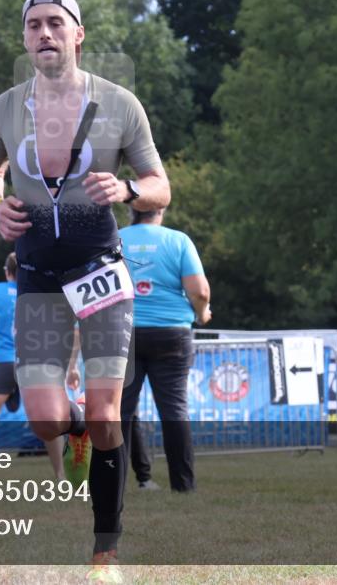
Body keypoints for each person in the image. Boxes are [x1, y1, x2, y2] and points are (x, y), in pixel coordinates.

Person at [0, 0, 170, 580]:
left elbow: (160, 184)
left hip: (100, 269)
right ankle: (76, 427)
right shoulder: (7, 107)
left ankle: (104, 548)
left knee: (109, 411)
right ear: (25, 38)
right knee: (45, 420)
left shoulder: (119, 103)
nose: (44, 34)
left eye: (55, 23)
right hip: (36, 274)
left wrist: (131, 192)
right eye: (33, 25)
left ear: (78, 34)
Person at [119, 206, 211, 493]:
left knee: (120, 410)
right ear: (162, 208)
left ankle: (112, 482)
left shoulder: (115, 239)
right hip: (172, 331)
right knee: (174, 410)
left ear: (132, 207)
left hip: (123, 330)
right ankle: (183, 484)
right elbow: (199, 291)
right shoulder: (178, 240)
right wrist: (202, 313)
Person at [0, 253, 66, 484]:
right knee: (47, 422)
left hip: (4, 362)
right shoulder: (39, 290)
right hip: (35, 362)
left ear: (7, 271)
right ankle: (60, 476)